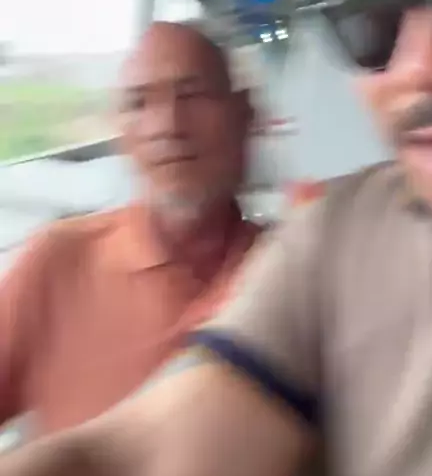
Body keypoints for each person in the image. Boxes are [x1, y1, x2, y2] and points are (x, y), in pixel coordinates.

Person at [4, 0, 432, 476]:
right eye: (371, 21)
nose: (420, 68)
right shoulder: (343, 237)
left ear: (248, 116)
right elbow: (146, 453)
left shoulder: (283, 246)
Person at [0, 22, 259, 436]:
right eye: (139, 103)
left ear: (244, 114)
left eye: (192, 95)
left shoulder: (289, 268)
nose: (167, 126)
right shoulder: (59, 262)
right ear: (121, 131)